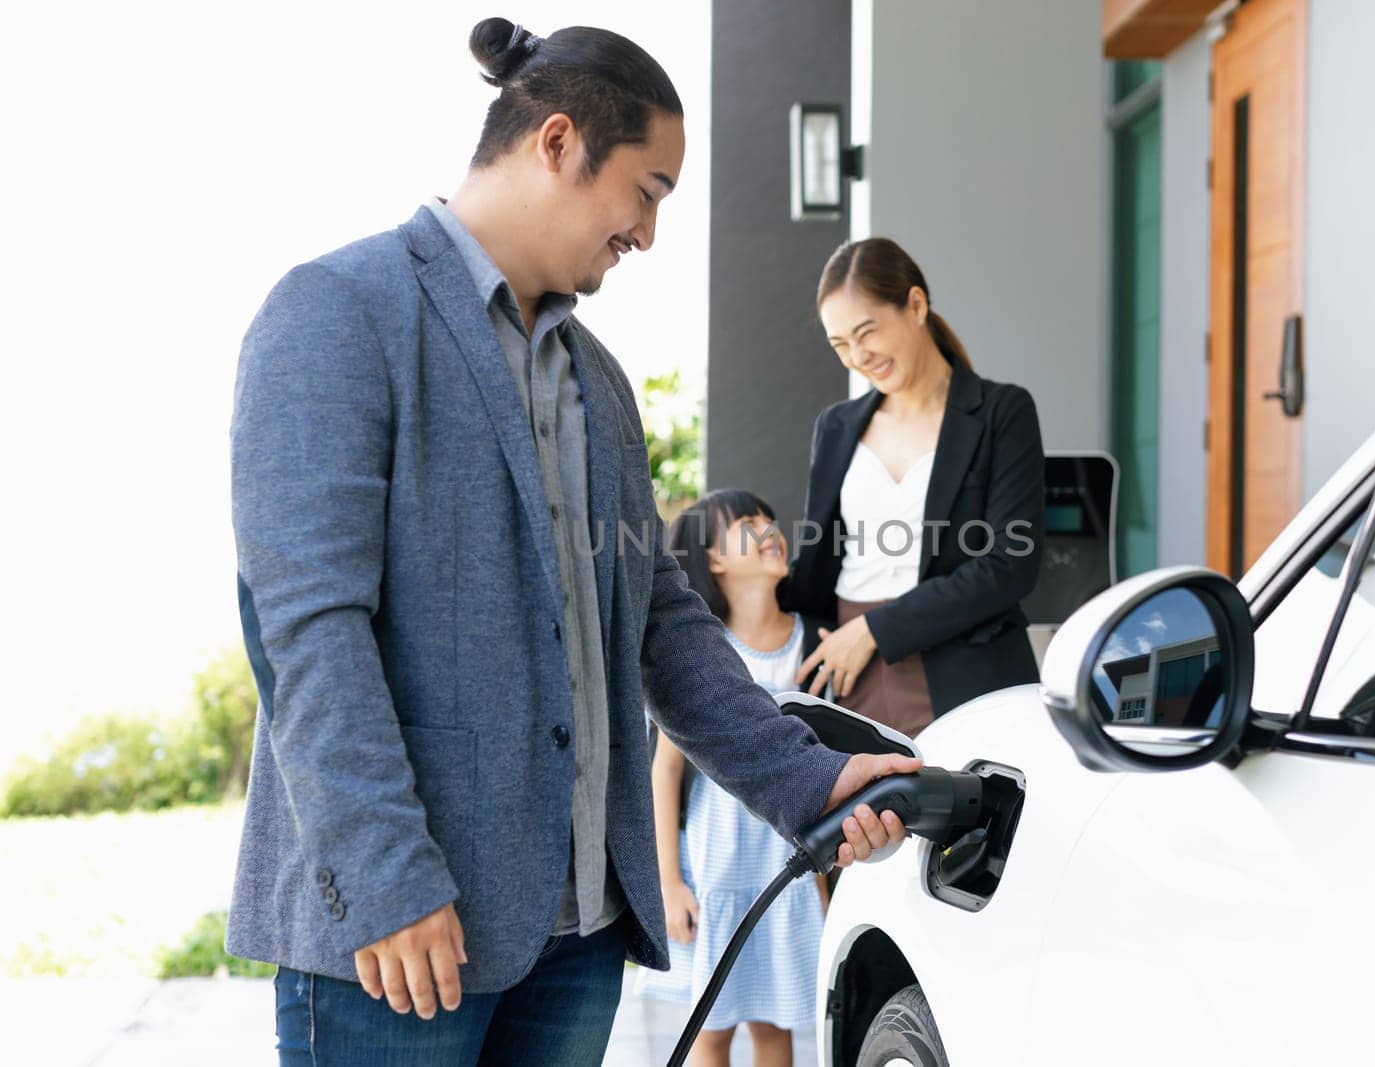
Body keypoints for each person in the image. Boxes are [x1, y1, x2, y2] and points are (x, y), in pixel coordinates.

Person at [227, 20, 916, 1066]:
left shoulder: (598, 382)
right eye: (647, 190)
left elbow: (660, 622)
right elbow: (307, 632)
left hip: (578, 937)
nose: (647, 231)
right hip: (406, 939)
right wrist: (386, 878)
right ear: (557, 143)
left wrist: (803, 778)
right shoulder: (336, 312)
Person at [785, 238, 1045, 737]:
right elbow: (820, 561)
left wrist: (875, 631)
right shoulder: (836, 426)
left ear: (916, 306)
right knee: (864, 815)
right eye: (840, 345)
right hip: (850, 671)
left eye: (867, 333)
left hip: (966, 666)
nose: (859, 357)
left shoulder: (1001, 413)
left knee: (983, 813)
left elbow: (1010, 565)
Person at [638, 490, 826, 1067]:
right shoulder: (704, 654)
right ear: (713, 559)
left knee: (776, 1026)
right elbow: (665, 771)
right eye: (747, 524)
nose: (769, 529)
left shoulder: (817, 645)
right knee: (709, 1028)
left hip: (790, 869)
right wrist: (669, 882)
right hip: (716, 869)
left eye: (770, 519)